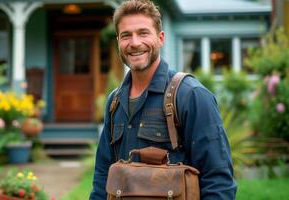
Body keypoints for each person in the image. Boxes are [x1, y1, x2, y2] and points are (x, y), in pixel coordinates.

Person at [89, 0, 237, 199]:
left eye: (143, 33)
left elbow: (219, 182)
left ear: (160, 38)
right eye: (126, 35)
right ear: (118, 42)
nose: (134, 43)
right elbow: (102, 177)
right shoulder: (114, 102)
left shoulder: (190, 96)